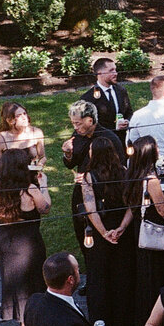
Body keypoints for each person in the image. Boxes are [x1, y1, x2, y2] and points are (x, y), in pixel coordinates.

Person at [0, 148, 50, 326]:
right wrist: (44, 185)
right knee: (33, 281)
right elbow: (45, 208)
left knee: (15, 283)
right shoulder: (29, 190)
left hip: (6, 241)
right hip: (28, 242)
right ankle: (32, 323)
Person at [78, 135, 136, 326]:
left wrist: (103, 232)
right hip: (121, 230)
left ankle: (101, 319)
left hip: (99, 231)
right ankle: (123, 319)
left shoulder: (88, 177)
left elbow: (91, 209)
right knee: (122, 272)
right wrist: (122, 228)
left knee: (99, 275)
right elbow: (132, 205)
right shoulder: (124, 172)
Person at [125, 135, 164, 326]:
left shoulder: (134, 175)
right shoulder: (151, 181)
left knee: (144, 278)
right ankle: (157, 325)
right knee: (155, 278)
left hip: (139, 231)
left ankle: (143, 323)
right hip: (153, 235)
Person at [63, 100, 126, 261]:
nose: (75, 127)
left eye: (78, 123)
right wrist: (68, 154)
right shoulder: (78, 136)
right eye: (73, 123)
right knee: (81, 230)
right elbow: (71, 162)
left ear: (90, 120)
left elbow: (119, 169)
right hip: (82, 191)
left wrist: (91, 177)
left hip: (104, 194)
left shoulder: (109, 138)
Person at [79, 58, 133, 139]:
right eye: (111, 70)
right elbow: (89, 126)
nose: (116, 73)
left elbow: (129, 112)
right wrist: (114, 127)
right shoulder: (88, 98)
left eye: (115, 70)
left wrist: (127, 121)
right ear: (100, 73)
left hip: (122, 140)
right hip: (103, 142)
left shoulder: (121, 91)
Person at [0, 101, 46, 173]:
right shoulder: (0, 139)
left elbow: (42, 157)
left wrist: (39, 164)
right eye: (19, 115)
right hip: (10, 177)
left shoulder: (36, 133)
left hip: (32, 175)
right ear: (10, 121)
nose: (24, 117)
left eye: (24, 113)